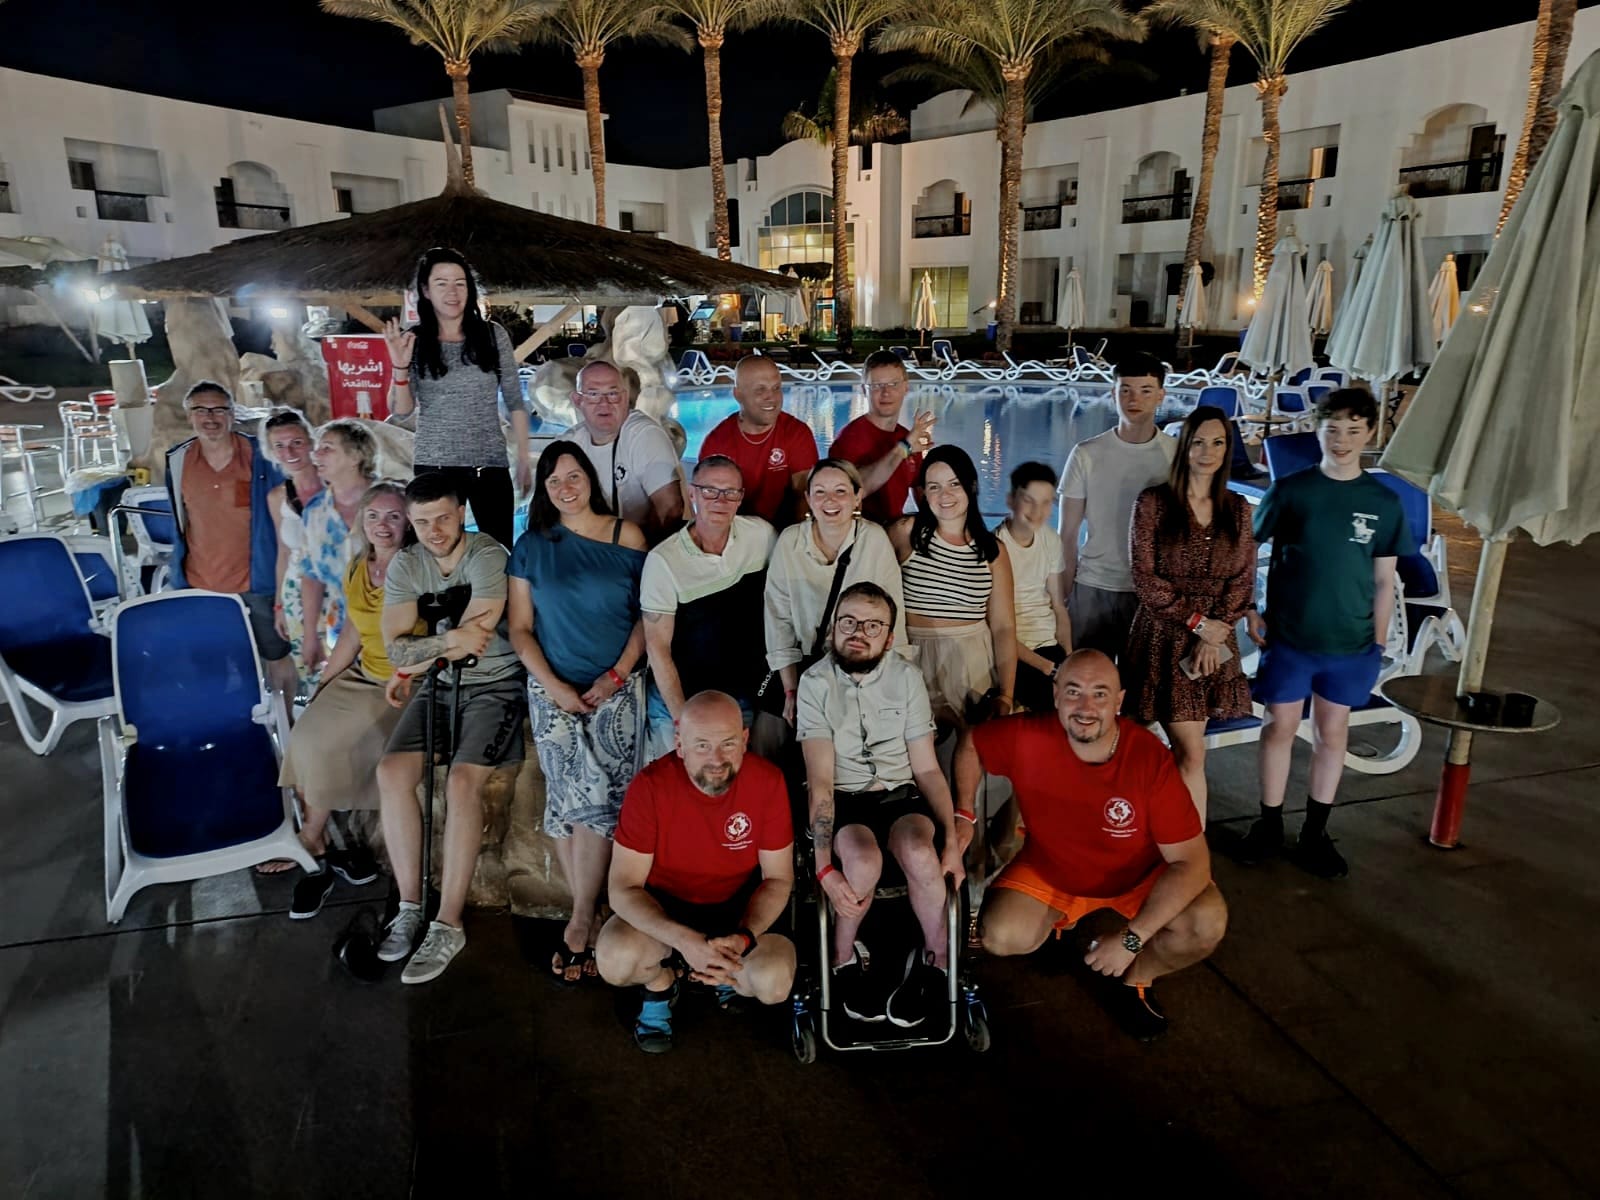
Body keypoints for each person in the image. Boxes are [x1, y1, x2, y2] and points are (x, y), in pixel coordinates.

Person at [954, 651, 1228, 1041]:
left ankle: (1136, 978)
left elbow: (1192, 863)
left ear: (1119, 701)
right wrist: (963, 813)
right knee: (1000, 936)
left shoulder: (1149, 759)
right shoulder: (1026, 735)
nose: (1086, 707)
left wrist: (1132, 940)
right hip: (1053, 868)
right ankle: (1065, 922)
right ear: (1055, 695)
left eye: (1100, 694)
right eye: (1073, 692)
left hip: (1137, 877)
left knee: (1206, 924)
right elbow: (970, 745)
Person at [1236, 388, 1407, 880]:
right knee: (1278, 728)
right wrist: (1249, 606)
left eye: (1354, 430)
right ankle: (1268, 822)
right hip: (1290, 638)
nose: (1342, 440)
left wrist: (1377, 643)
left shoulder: (1383, 501)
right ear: (1317, 429)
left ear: (1370, 434)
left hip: (1351, 646)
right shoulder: (1291, 490)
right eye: (1333, 429)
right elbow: (1248, 550)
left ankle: (1315, 830)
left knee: (1334, 734)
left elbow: (1383, 579)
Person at [374, 473, 527, 984]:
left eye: (442, 518)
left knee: (464, 781)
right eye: (421, 522)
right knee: (392, 772)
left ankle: (449, 921)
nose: (433, 531)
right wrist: (442, 645)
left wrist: (428, 648)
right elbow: (395, 649)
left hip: (496, 685)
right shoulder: (407, 563)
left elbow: (478, 643)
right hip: (437, 686)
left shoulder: (488, 555)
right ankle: (411, 905)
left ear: (460, 511)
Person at [507, 440, 649, 984]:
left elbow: (646, 615)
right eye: (554, 481)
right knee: (569, 799)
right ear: (544, 491)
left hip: (618, 685)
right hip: (552, 689)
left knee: (603, 800)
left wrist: (615, 675)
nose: (566, 487)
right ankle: (588, 909)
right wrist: (555, 687)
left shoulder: (625, 535)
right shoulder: (531, 546)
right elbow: (520, 629)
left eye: (574, 475)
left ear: (589, 477)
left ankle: (582, 912)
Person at [799, 584, 963, 1028]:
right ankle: (842, 954)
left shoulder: (906, 677)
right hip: (847, 799)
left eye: (873, 626)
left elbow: (927, 769)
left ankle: (937, 958)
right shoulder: (814, 684)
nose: (859, 633)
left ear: (889, 637)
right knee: (864, 861)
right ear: (834, 628)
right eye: (848, 622)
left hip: (901, 796)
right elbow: (820, 781)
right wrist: (822, 867)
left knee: (918, 850)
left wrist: (952, 843)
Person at [596, 691, 796, 1054]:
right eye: (701, 745)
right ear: (679, 744)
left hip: (738, 911)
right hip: (666, 909)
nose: (716, 759)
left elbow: (778, 879)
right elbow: (623, 888)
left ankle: (724, 971)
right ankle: (661, 982)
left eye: (728, 744)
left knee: (774, 983)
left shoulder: (768, 782)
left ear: (745, 741)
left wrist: (744, 938)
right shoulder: (650, 786)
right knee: (614, 960)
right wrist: (685, 941)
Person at [280, 480, 412, 919]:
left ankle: (329, 835)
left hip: (403, 682)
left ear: (408, 521)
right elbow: (353, 631)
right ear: (363, 522)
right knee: (309, 730)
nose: (384, 525)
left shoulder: (417, 568)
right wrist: (325, 683)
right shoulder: (360, 565)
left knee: (339, 741)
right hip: (364, 672)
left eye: (394, 515)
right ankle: (314, 835)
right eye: (375, 516)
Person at [1122, 408, 1256, 822]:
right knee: (1172, 747)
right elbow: (1144, 577)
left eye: (1218, 443)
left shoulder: (1238, 509)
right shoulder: (1155, 503)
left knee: (1192, 752)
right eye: (1198, 441)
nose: (1207, 451)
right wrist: (1199, 624)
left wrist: (1216, 633)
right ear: (1184, 447)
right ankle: (1148, 830)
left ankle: (1188, 846)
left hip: (1213, 644)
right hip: (1163, 635)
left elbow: (1243, 579)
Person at [383, 246, 531, 549]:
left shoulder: (493, 335)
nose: (452, 292)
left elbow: (515, 399)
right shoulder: (414, 340)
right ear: (425, 290)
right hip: (434, 466)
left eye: (460, 283)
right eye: (442, 283)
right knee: (440, 551)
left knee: (499, 551)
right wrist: (399, 366)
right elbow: (400, 411)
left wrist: (525, 458)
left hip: (488, 464)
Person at [640, 456, 777, 761]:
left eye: (730, 492)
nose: (720, 500)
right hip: (679, 703)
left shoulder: (761, 537)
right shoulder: (664, 560)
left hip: (739, 700)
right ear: (692, 494)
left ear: (741, 497)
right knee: (676, 797)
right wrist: (683, 723)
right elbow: (657, 647)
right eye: (710, 491)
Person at [165, 381, 294, 701]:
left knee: (276, 657)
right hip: (200, 584)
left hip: (256, 584)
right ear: (189, 415)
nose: (211, 417)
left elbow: (285, 526)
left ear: (233, 414)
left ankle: (286, 726)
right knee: (210, 661)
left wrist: (283, 591)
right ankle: (230, 720)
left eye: (219, 409)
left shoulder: (261, 456)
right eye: (201, 410)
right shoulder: (177, 460)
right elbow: (180, 522)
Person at [763, 458, 907, 727]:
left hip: (863, 672)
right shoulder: (790, 541)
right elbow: (778, 619)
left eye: (840, 491)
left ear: (857, 497)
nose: (830, 500)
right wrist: (791, 690)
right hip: (806, 670)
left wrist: (890, 689)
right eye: (820, 492)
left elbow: (892, 617)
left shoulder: (873, 539)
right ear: (808, 498)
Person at [1057, 353, 1177, 662]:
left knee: (1138, 690)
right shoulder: (1086, 454)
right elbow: (1067, 534)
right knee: (1085, 678)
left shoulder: (1175, 457)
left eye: (1145, 390)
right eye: (1126, 389)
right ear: (1113, 394)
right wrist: (1061, 597)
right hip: (1092, 585)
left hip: (1149, 590)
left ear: (1161, 395)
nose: (1134, 399)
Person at [888, 446, 1017, 726]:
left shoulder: (993, 550)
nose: (944, 495)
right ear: (923, 493)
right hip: (914, 654)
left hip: (973, 662)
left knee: (967, 752)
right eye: (934, 487)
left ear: (970, 486)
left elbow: (1004, 627)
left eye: (954, 484)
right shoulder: (906, 533)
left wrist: (1006, 694)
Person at [563, 360, 684, 545]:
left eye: (612, 394)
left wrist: (639, 555)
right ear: (578, 401)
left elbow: (670, 508)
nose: (604, 403)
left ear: (625, 398)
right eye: (593, 394)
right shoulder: (568, 443)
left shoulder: (644, 435)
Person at [295, 419, 379, 675]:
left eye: (327, 448)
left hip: (388, 630)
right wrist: (310, 636)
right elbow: (311, 575)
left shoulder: (390, 503)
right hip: (339, 631)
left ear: (355, 456)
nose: (316, 454)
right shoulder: (315, 511)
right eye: (318, 447)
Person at [696, 355, 817, 529]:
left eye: (776, 388)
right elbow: (710, 507)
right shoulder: (717, 443)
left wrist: (793, 543)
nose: (771, 397)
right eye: (760, 390)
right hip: (735, 535)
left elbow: (804, 496)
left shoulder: (796, 433)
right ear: (738, 395)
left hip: (785, 534)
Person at [996, 461, 1071, 713]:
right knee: (1051, 703)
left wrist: (1069, 660)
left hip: (1049, 646)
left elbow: (1059, 607)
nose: (1038, 511)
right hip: (1014, 649)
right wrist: (1047, 667)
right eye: (1029, 500)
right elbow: (997, 627)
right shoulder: (994, 547)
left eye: (1046, 502)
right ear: (1010, 500)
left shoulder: (1050, 539)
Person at [829, 349, 936, 523]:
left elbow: (921, 492)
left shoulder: (906, 436)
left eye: (893, 384)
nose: (886, 392)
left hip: (894, 531)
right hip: (860, 535)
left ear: (905, 387)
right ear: (865, 390)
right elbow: (853, 489)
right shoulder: (849, 440)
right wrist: (903, 448)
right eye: (877, 385)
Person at [261, 409, 324, 689]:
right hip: (295, 591)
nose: (289, 451)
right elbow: (283, 553)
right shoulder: (277, 497)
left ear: (311, 442)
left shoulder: (336, 485)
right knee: (312, 670)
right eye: (280, 446)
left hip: (338, 586)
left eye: (296, 442)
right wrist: (278, 605)